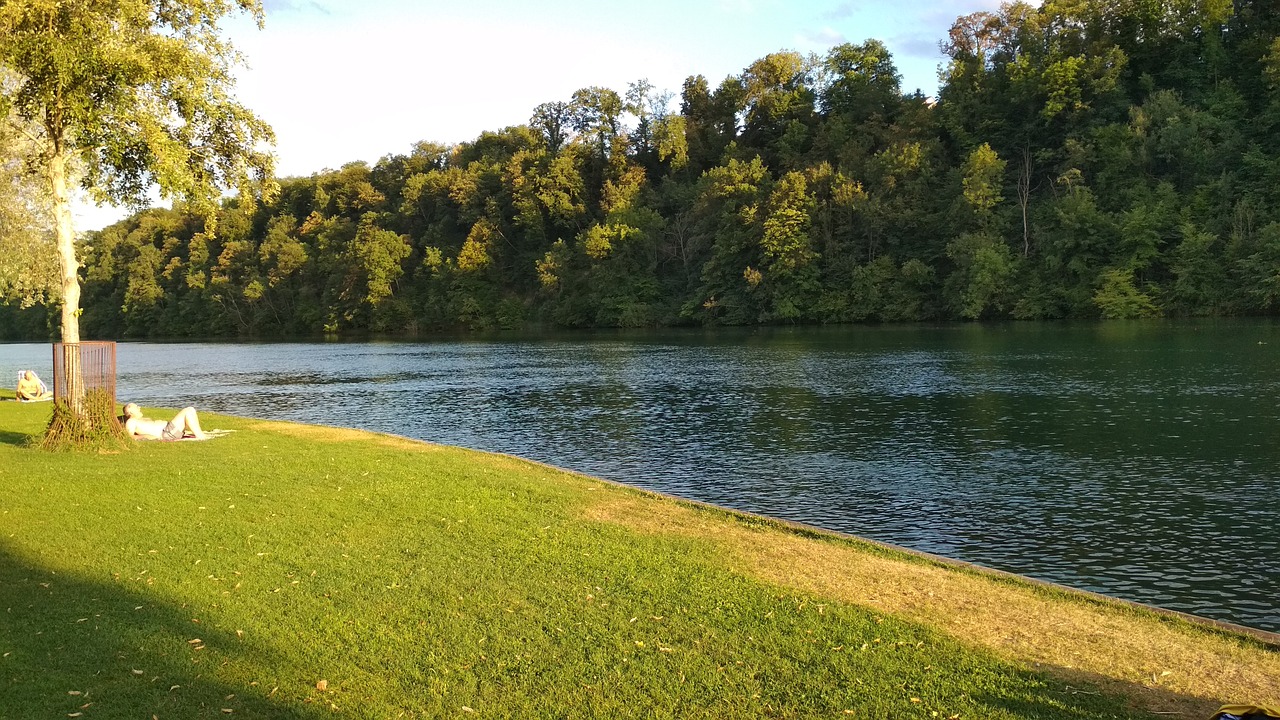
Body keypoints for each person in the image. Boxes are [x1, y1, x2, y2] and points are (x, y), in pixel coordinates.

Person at [122, 402, 208, 441]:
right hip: (167, 433)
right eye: (136, 407)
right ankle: (201, 436)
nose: (139, 407)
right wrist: (148, 436)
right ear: (131, 412)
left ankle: (199, 433)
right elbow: (130, 436)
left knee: (191, 410)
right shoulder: (131, 421)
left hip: (169, 430)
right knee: (188, 410)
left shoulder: (138, 420)